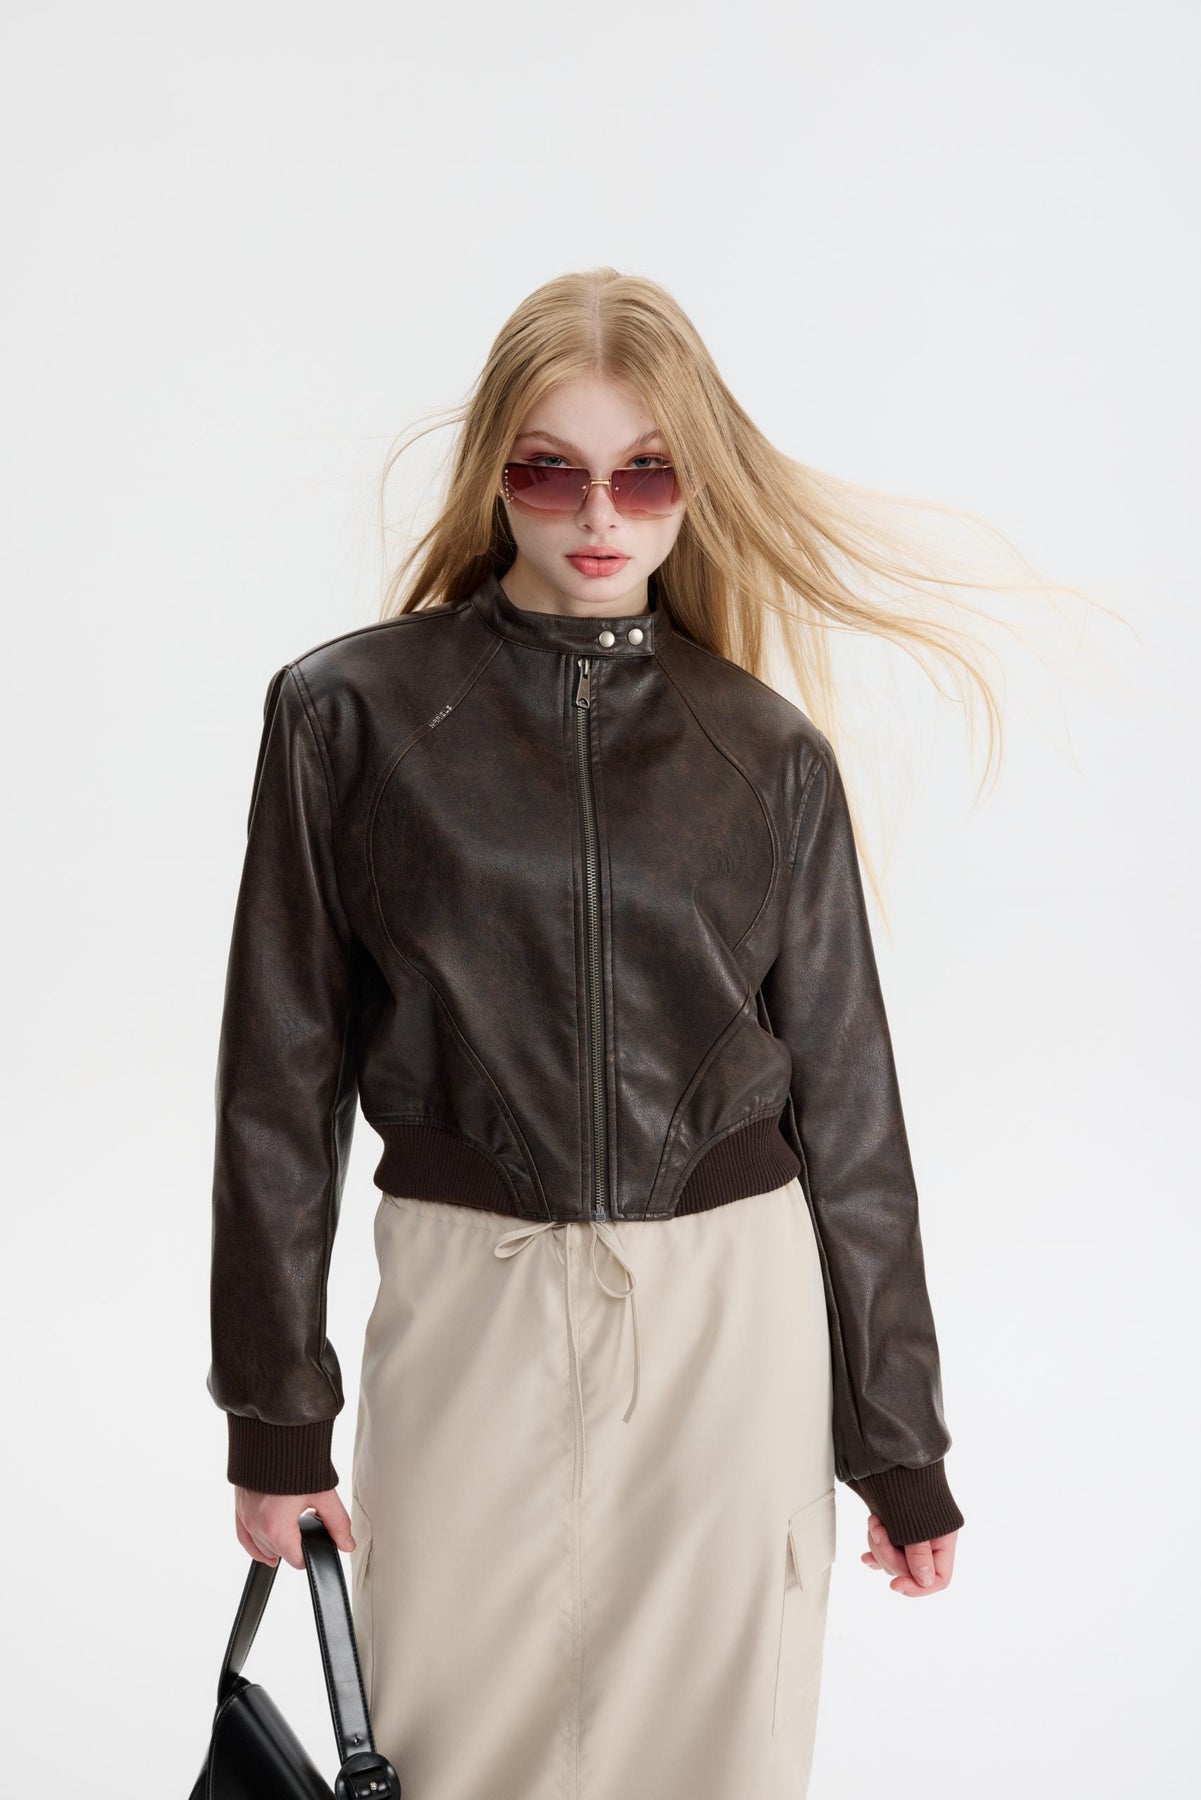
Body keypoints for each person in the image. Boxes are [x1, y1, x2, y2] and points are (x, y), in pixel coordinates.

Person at [207, 267, 1000, 1798]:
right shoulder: (348, 716)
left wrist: (898, 1447)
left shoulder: (763, 752)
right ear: (492, 473)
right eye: (549, 469)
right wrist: (276, 1421)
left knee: (712, 1747)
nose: (597, 513)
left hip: (729, 1317)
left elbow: (848, 1114)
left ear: (694, 483)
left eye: (643, 473)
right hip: (471, 1297)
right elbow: (278, 1083)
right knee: (448, 1741)